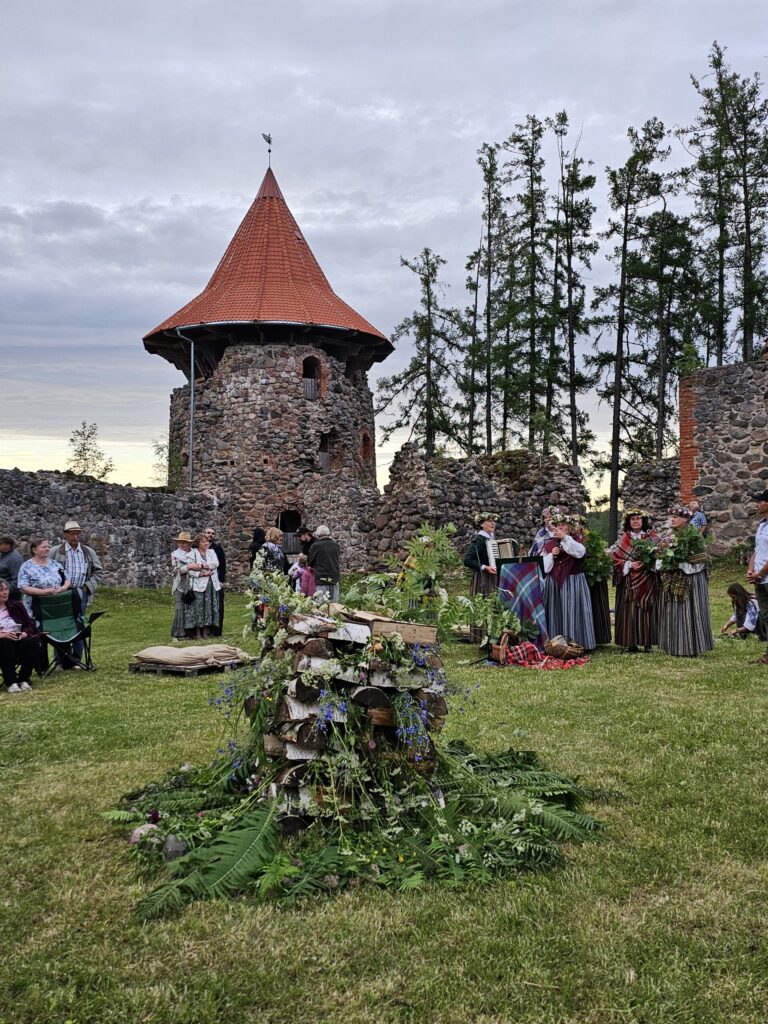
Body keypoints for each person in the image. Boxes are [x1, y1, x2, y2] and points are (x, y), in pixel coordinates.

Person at [656, 505, 714, 658]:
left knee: (690, 611)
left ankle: (691, 646)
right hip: (672, 578)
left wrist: (680, 564)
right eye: (672, 517)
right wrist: (665, 563)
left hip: (691, 580)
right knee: (673, 611)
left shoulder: (694, 535)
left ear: (686, 519)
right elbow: (660, 554)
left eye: (676, 517)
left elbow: (701, 560)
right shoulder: (668, 536)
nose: (673, 519)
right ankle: (674, 646)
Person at [541, 515, 595, 651]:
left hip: (573, 581)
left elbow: (579, 553)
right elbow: (544, 567)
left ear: (570, 528)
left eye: (563, 524)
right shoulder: (549, 544)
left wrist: (565, 538)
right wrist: (551, 555)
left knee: (572, 611)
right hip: (553, 583)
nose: (560, 527)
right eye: (557, 525)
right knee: (555, 612)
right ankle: (555, 644)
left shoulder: (576, 541)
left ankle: (576, 643)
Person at [611, 509, 660, 654]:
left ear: (643, 521)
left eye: (638, 519)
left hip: (647, 578)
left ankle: (647, 642)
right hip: (628, 581)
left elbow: (660, 555)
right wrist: (629, 564)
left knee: (646, 608)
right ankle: (630, 642)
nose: (635, 521)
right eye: (632, 519)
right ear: (628, 522)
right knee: (628, 611)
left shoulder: (653, 538)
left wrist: (648, 563)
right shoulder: (624, 539)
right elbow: (615, 559)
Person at [50, 520, 103, 614]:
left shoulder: (88, 552)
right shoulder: (54, 552)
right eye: (72, 534)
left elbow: (98, 572)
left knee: (79, 618)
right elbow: (46, 571)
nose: (75, 536)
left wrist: (87, 587)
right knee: (61, 617)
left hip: (81, 592)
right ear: (65, 535)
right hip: (61, 593)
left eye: (77, 533)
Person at [0, 579, 42, 693]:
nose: (5, 592)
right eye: (1, 590)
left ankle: (23, 679)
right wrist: (2, 635)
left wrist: (24, 633)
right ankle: (11, 682)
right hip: (2, 642)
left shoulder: (16, 605)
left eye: (6, 589)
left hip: (18, 638)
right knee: (5, 643)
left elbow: (30, 624)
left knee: (31, 641)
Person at [18, 537, 71, 622]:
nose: (47, 549)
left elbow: (67, 579)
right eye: (44, 547)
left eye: (48, 547)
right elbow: (23, 587)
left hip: (56, 606)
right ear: (34, 550)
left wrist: (62, 588)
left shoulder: (55, 564)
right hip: (36, 607)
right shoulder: (26, 566)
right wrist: (44, 592)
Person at [463, 514, 498, 644]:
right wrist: (484, 567)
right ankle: (479, 636)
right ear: (482, 524)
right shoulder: (479, 539)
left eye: (494, 521)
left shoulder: (491, 538)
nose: (493, 523)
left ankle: (491, 635)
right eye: (489, 521)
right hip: (482, 577)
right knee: (481, 603)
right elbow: (467, 560)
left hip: (492, 577)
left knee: (492, 603)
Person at [746, 488, 768, 665]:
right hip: (759, 578)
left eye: (759, 501)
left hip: (764, 577)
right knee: (766, 616)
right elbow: (757, 551)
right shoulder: (761, 525)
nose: (757, 504)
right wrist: (750, 570)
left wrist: (760, 574)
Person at [186, 532, 221, 639]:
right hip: (198, 584)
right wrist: (201, 573)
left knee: (208, 608)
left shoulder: (212, 552)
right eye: (203, 542)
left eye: (207, 541)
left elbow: (216, 564)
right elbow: (190, 571)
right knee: (198, 608)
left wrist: (201, 566)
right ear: (198, 543)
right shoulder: (192, 554)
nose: (206, 543)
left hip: (211, 584)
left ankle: (206, 632)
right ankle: (198, 633)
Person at [170, 531, 194, 640]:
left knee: (189, 608)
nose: (182, 544)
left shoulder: (193, 553)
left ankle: (190, 632)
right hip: (179, 584)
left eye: (184, 542)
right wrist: (188, 567)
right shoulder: (175, 554)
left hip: (192, 584)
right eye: (180, 542)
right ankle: (178, 632)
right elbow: (176, 570)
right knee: (179, 608)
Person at [308, 525, 341, 602]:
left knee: (321, 603)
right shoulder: (335, 545)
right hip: (334, 577)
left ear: (317, 534)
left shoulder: (316, 545)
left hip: (322, 577)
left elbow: (310, 561)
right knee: (334, 603)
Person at [204, 525, 226, 636]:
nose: (210, 535)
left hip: (215, 579)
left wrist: (221, 580)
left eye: (212, 533)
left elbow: (222, 565)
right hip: (202, 579)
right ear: (204, 533)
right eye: (208, 533)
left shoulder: (217, 549)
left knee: (217, 605)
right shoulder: (197, 547)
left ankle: (216, 630)